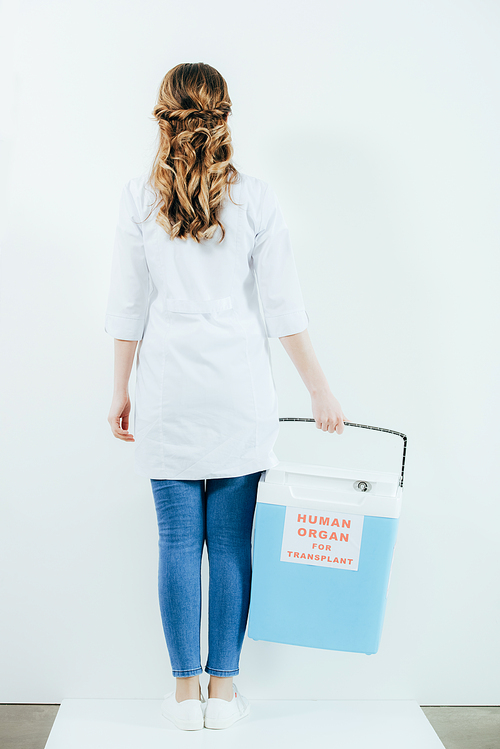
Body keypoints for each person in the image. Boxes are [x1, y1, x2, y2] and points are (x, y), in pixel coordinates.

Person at [105, 62, 348, 731]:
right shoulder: (257, 200)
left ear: (164, 116)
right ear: (223, 115)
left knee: (178, 542)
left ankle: (185, 695)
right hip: (240, 393)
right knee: (232, 545)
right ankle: (225, 689)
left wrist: (119, 389)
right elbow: (284, 308)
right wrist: (320, 389)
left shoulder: (138, 199)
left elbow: (129, 307)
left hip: (165, 394)